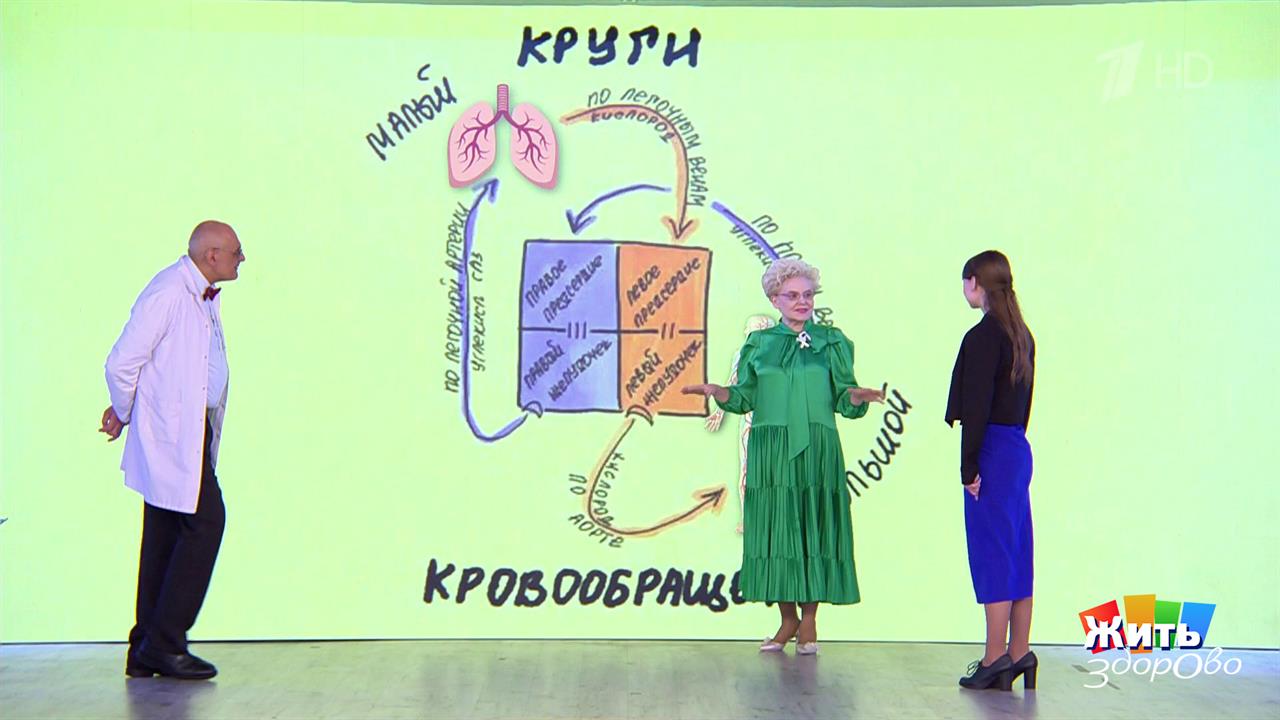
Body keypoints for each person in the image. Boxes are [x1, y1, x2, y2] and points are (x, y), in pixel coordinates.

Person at [683, 258, 884, 655]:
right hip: (771, 449)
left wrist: (857, 396)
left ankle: (809, 620)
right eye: (792, 295)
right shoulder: (759, 344)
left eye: (808, 295)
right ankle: (787, 618)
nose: (802, 302)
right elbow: (745, 397)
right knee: (777, 530)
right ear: (774, 299)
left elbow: (844, 398)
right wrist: (720, 393)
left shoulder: (832, 341)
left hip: (818, 448)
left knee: (814, 527)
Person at [100, 220, 245, 680]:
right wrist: (124, 411)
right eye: (237, 252)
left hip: (184, 432)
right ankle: (166, 643)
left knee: (165, 532)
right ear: (212, 255)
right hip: (170, 435)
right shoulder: (168, 293)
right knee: (206, 522)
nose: (242, 259)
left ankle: (145, 646)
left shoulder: (198, 294)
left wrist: (126, 411)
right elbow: (122, 362)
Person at [945, 250, 1037, 691]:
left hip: (992, 449)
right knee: (1017, 550)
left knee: (992, 552)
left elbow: (976, 407)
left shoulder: (983, 337)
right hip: (1016, 447)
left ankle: (994, 656)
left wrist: (969, 466)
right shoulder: (1022, 334)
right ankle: (1020, 652)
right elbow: (1025, 402)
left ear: (975, 283)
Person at [704, 314, 777, 534]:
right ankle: (748, 518)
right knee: (747, 470)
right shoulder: (742, 355)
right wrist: (720, 412)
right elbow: (732, 384)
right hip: (751, 419)